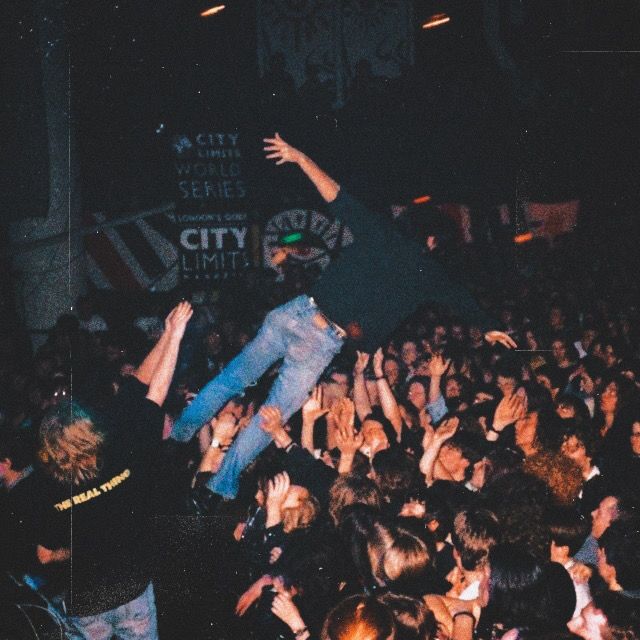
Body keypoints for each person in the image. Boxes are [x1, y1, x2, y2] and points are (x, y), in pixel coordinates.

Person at [171, 133, 516, 512]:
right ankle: (221, 484)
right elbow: (458, 297)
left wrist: (300, 156)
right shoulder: (427, 271)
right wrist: (487, 325)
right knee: (274, 413)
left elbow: (336, 195)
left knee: (233, 378)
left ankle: (180, 436)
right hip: (320, 339)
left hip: (294, 311)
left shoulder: (382, 232)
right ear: (433, 241)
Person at [15, 301, 192, 639]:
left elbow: (45, 555)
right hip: (131, 590)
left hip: (87, 600)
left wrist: (80, 548)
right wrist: (173, 334)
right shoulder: (119, 449)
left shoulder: (39, 489)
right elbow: (151, 390)